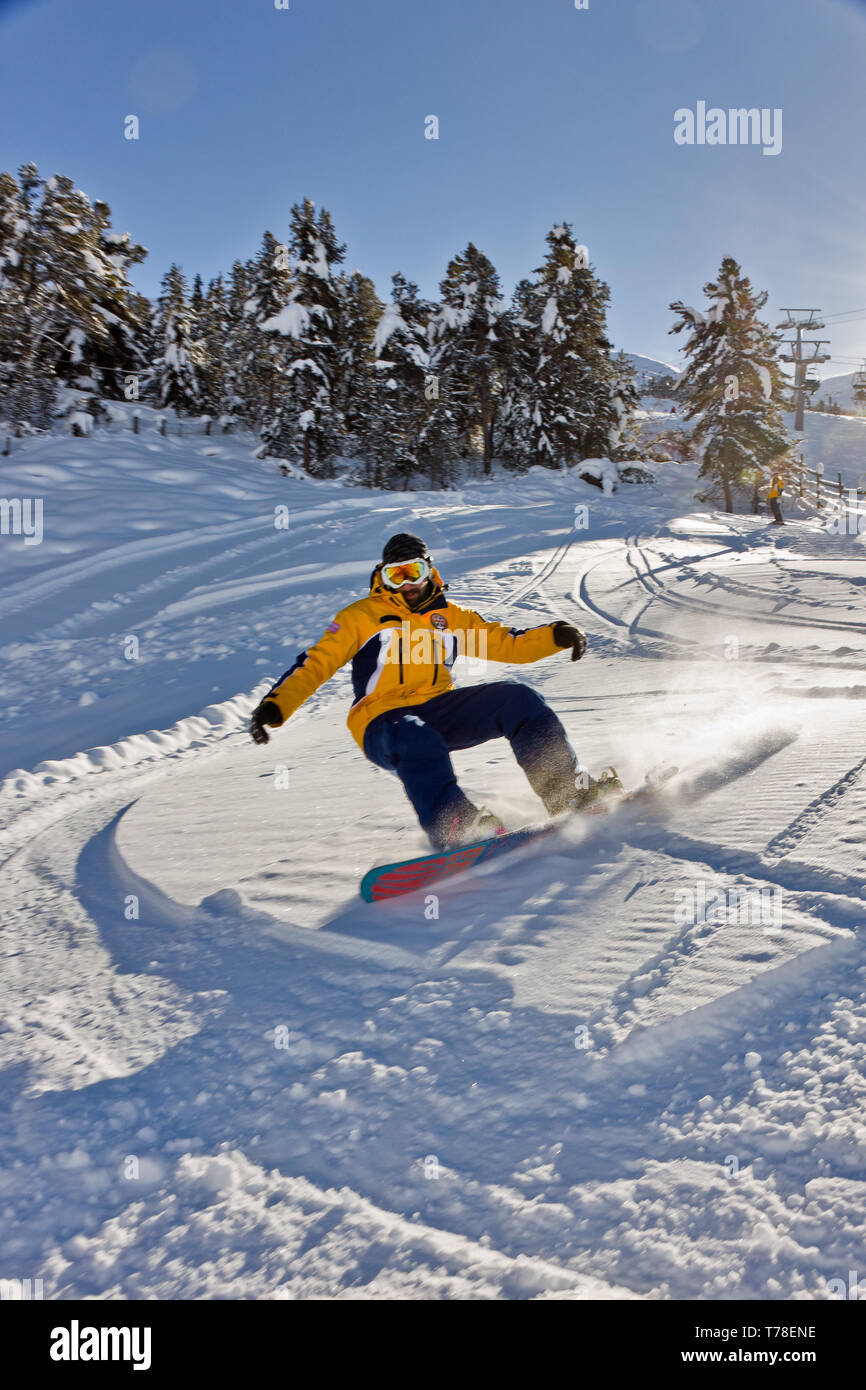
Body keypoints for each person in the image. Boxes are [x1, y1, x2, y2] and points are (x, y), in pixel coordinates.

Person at [249, 532, 619, 849]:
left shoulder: (449, 618)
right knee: (414, 734)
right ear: (383, 577)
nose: (408, 583)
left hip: (439, 708)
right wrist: (275, 706)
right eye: (397, 575)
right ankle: (455, 826)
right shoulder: (360, 617)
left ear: (430, 570)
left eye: (415, 571)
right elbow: (316, 663)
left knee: (520, 700)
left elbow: (507, 643)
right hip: (383, 722)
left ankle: (566, 792)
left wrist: (555, 635)